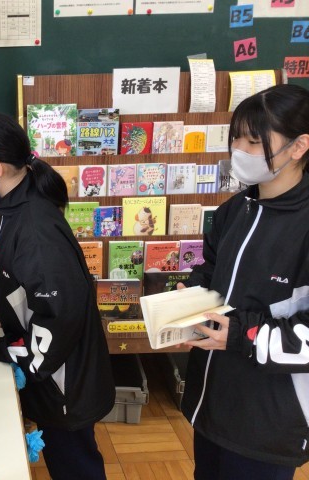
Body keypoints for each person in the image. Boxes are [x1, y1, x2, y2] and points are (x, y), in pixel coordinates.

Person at [0, 113, 115, 480]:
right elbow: (35, 287)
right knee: (66, 459)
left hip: (65, 384)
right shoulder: (15, 205)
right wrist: (8, 310)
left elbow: (60, 317)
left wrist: (5, 351)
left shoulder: (34, 228)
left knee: (75, 466)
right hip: (56, 374)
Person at [178, 84, 309, 479]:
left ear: (299, 146)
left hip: (269, 423)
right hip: (212, 405)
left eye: (253, 141)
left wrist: (240, 335)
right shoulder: (235, 208)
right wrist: (187, 299)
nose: (239, 150)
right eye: (236, 137)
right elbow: (211, 270)